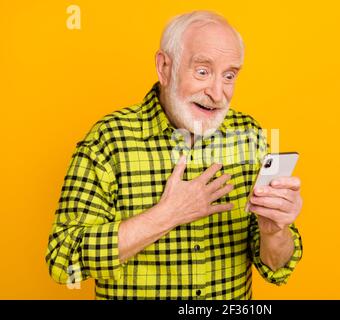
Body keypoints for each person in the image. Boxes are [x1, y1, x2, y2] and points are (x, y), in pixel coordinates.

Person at [46, 10, 303, 300]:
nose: (218, 94)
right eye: (203, 71)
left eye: (229, 75)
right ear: (164, 67)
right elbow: (63, 260)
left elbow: (276, 266)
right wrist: (166, 215)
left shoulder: (249, 136)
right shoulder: (109, 140)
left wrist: (274, 232)